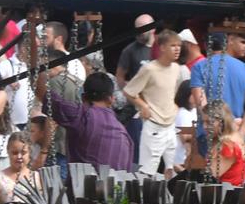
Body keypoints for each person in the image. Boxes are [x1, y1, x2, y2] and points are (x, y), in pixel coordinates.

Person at [41, 70, 137, 172]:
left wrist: (35, 61)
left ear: (83, 97)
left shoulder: (81, 115)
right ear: (111, 99)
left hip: (83, 186)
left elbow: (43, 94)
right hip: (117, 186)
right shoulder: (124, 134)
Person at [126, 33, 188, 175]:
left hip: (171, 124)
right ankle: (144, 196)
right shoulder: (149, 69)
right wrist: (143, 106)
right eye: (173, 45)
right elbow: (129, 91)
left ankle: (168, 196)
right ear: (162, 47)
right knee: (148, 171)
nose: (177, 49)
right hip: (154, 125)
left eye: (179, 46)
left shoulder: (177, 68)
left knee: (171, 169)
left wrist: (176, 107)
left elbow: (176, 92)